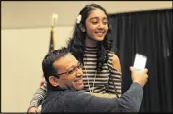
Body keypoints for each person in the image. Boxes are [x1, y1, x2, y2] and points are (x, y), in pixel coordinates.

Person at [28, 3, 122, 113]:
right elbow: (46, 87)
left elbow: (116, 97)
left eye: (105, 22)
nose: (101, 26)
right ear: (82, 27)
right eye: (95, 22)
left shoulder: (112, 59)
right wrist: (33, 105)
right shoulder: (68, 57)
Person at [41, 48, 148, 112]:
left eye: (79, 66)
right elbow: (128, 107)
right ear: (54, 81)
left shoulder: (49, 100)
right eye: (71, 71)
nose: (80, 73)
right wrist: (138, 81)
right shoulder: (69, 100)